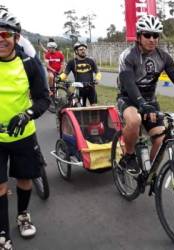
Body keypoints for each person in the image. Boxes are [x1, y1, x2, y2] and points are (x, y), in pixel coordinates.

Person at [117, 15, 174, 176]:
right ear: (139, 36)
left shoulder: (163, 57)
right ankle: (129, 156)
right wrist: (141, 105)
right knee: (134, 120)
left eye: (156, 35)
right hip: (128, 98)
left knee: (160, 139)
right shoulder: (128, 56)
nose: (152, 39)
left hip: (150, 101)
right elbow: (129, 83)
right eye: (147, 35)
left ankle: (148, 174)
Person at [0, 9, 50, 250]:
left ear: (16, 38)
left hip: (23, 133)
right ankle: (2, 233)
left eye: (6, 34)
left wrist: (28, 113)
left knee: (24, 179)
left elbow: (43, 99)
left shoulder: (28, 63)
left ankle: (22, 215)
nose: (1, 38)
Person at [60, 42, 101, 107]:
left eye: (84, 49)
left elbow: (98, 72)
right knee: (81, 109)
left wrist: (97, 79)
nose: (83, 51)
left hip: (91, 88)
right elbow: (65, 74)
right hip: (79, 89)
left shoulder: (91, 61)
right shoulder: (72, 62)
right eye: (81, 49)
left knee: (94, 108)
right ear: (76, 51)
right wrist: (59, 78)